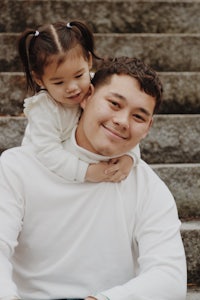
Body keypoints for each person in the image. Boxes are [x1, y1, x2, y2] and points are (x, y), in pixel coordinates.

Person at [0, 57, 187, 300]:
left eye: (138, 117)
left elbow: (170, 277)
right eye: (114, 103)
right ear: (87, 96)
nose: (122, 121)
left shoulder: (148, 187)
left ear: (148, 127)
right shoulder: (18, 167)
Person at [18, 20, 140, 183]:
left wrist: (130, 157)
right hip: (43, 174)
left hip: (81, 164)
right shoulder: (44, 108)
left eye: (78, 75)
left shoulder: (98, 87)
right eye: (59, 82)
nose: (72, 88)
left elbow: (120, 122)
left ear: (88, 60)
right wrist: (86, 172)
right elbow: (47, 153)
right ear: (39, 79)